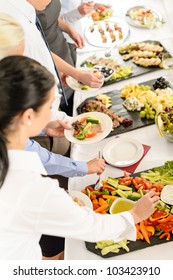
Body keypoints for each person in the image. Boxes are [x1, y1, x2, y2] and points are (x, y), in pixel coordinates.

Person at [0, 55, 160, 260]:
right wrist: (135, 214)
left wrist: (43, 128)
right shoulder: (28, 186)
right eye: (50, 107)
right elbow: (93, 227)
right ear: (28, 116)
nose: (53, 114)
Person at [0, 0, 104, 155]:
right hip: (41, 124)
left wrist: (67, 72)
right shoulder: (10, 22)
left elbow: (40, 50)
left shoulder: (25, 11)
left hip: (48, 115)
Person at [36, 0, 85, 115]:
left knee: (73, 91)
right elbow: (41, 51)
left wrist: (69, 29)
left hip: (61, 46)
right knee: (59, 101)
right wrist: (76, 74)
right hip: (47, 60)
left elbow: (52, 16)